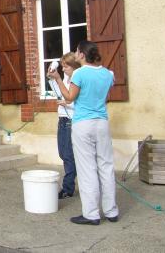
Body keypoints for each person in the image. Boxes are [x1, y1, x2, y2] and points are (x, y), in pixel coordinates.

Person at [48, 40, 119, 225]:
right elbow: (105, 98)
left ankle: (91, 214)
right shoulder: (107, 74)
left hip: (83, 124)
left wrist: (57, 79)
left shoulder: (79, 74)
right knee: (106, 166)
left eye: (77, 52)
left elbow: (70, 98)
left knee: (87, 169)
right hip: (102, 123)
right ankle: (111, 211)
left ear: (81, 54)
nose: (76, 53)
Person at [53, 52, 80, 200]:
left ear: (74, 66)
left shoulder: (78, 79)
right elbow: (61, 93)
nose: (64, 69)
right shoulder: (67, 78)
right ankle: (70, 185)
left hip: (71, 120)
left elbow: (77, 101)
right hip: (62, 119)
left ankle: (68, 188)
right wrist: (54, 79)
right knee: (63, 153)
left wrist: (67, 103)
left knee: (68, 155)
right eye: (62, 66)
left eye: (66, 66)